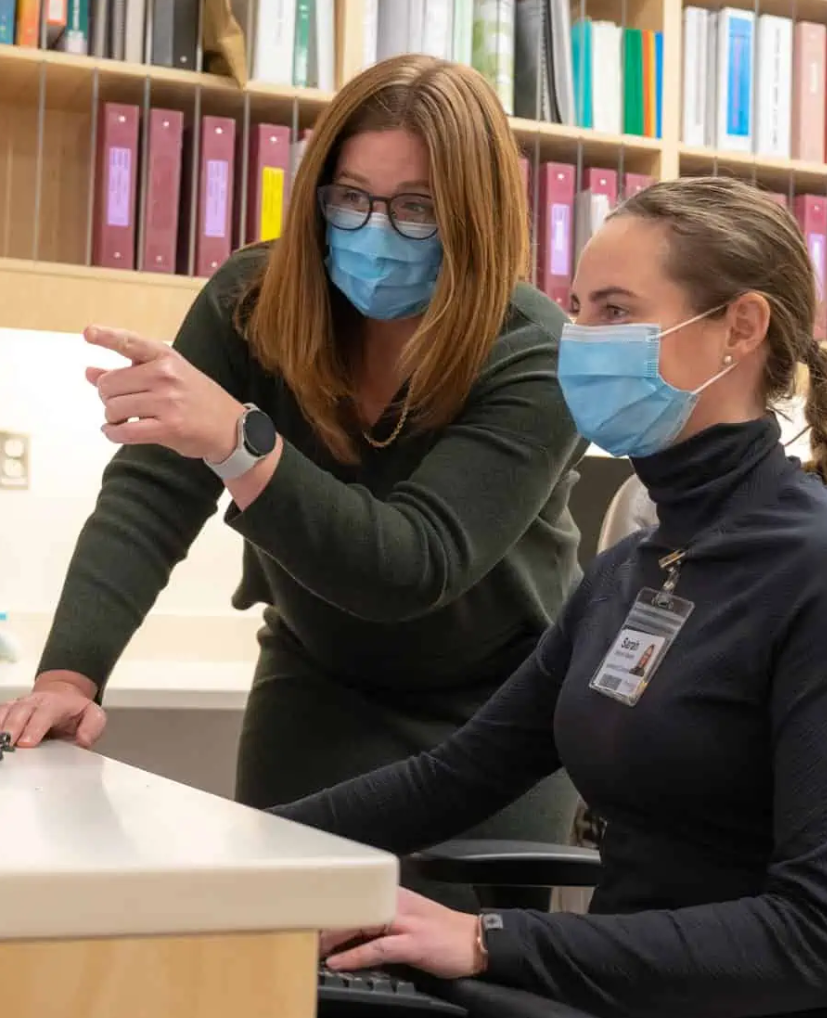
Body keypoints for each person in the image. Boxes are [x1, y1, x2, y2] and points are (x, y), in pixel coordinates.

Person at [0, 55, 585, 910]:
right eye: (349, 197)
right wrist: (69, 677)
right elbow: (152, 495)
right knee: (279, 954)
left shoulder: (536, 349)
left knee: (471, 974)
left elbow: (410, 567)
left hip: (496, 714)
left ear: (475, 215)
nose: (374, 228)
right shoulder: (254, 299)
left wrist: (241, 442)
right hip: (320, 684)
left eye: (416, 208)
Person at [271, 177, 827, 1018]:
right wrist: (233, 849)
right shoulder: (633, 567)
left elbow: (808, 939)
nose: (578, 338)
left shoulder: (808, 572)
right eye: (576, 307)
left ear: (738, 329)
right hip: (608, 991)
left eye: (613, 309)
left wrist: (489, 939)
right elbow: (457, 775)